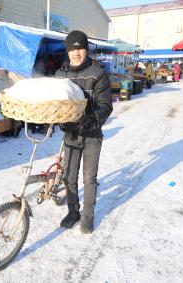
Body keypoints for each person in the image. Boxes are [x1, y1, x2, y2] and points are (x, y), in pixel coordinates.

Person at [55, 30, 113, 234]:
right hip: (71, 133)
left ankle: (88, 217)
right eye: (72, 49)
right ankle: (73, 212)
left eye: (80, 48)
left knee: (89, 178)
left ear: (86, 49)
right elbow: (55, 102)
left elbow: (106, 106)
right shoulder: (61, 75)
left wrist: (90, 120)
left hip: (92, 134)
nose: (76, 53)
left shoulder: (98, 73)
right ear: (68, 51)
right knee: (69, 177)